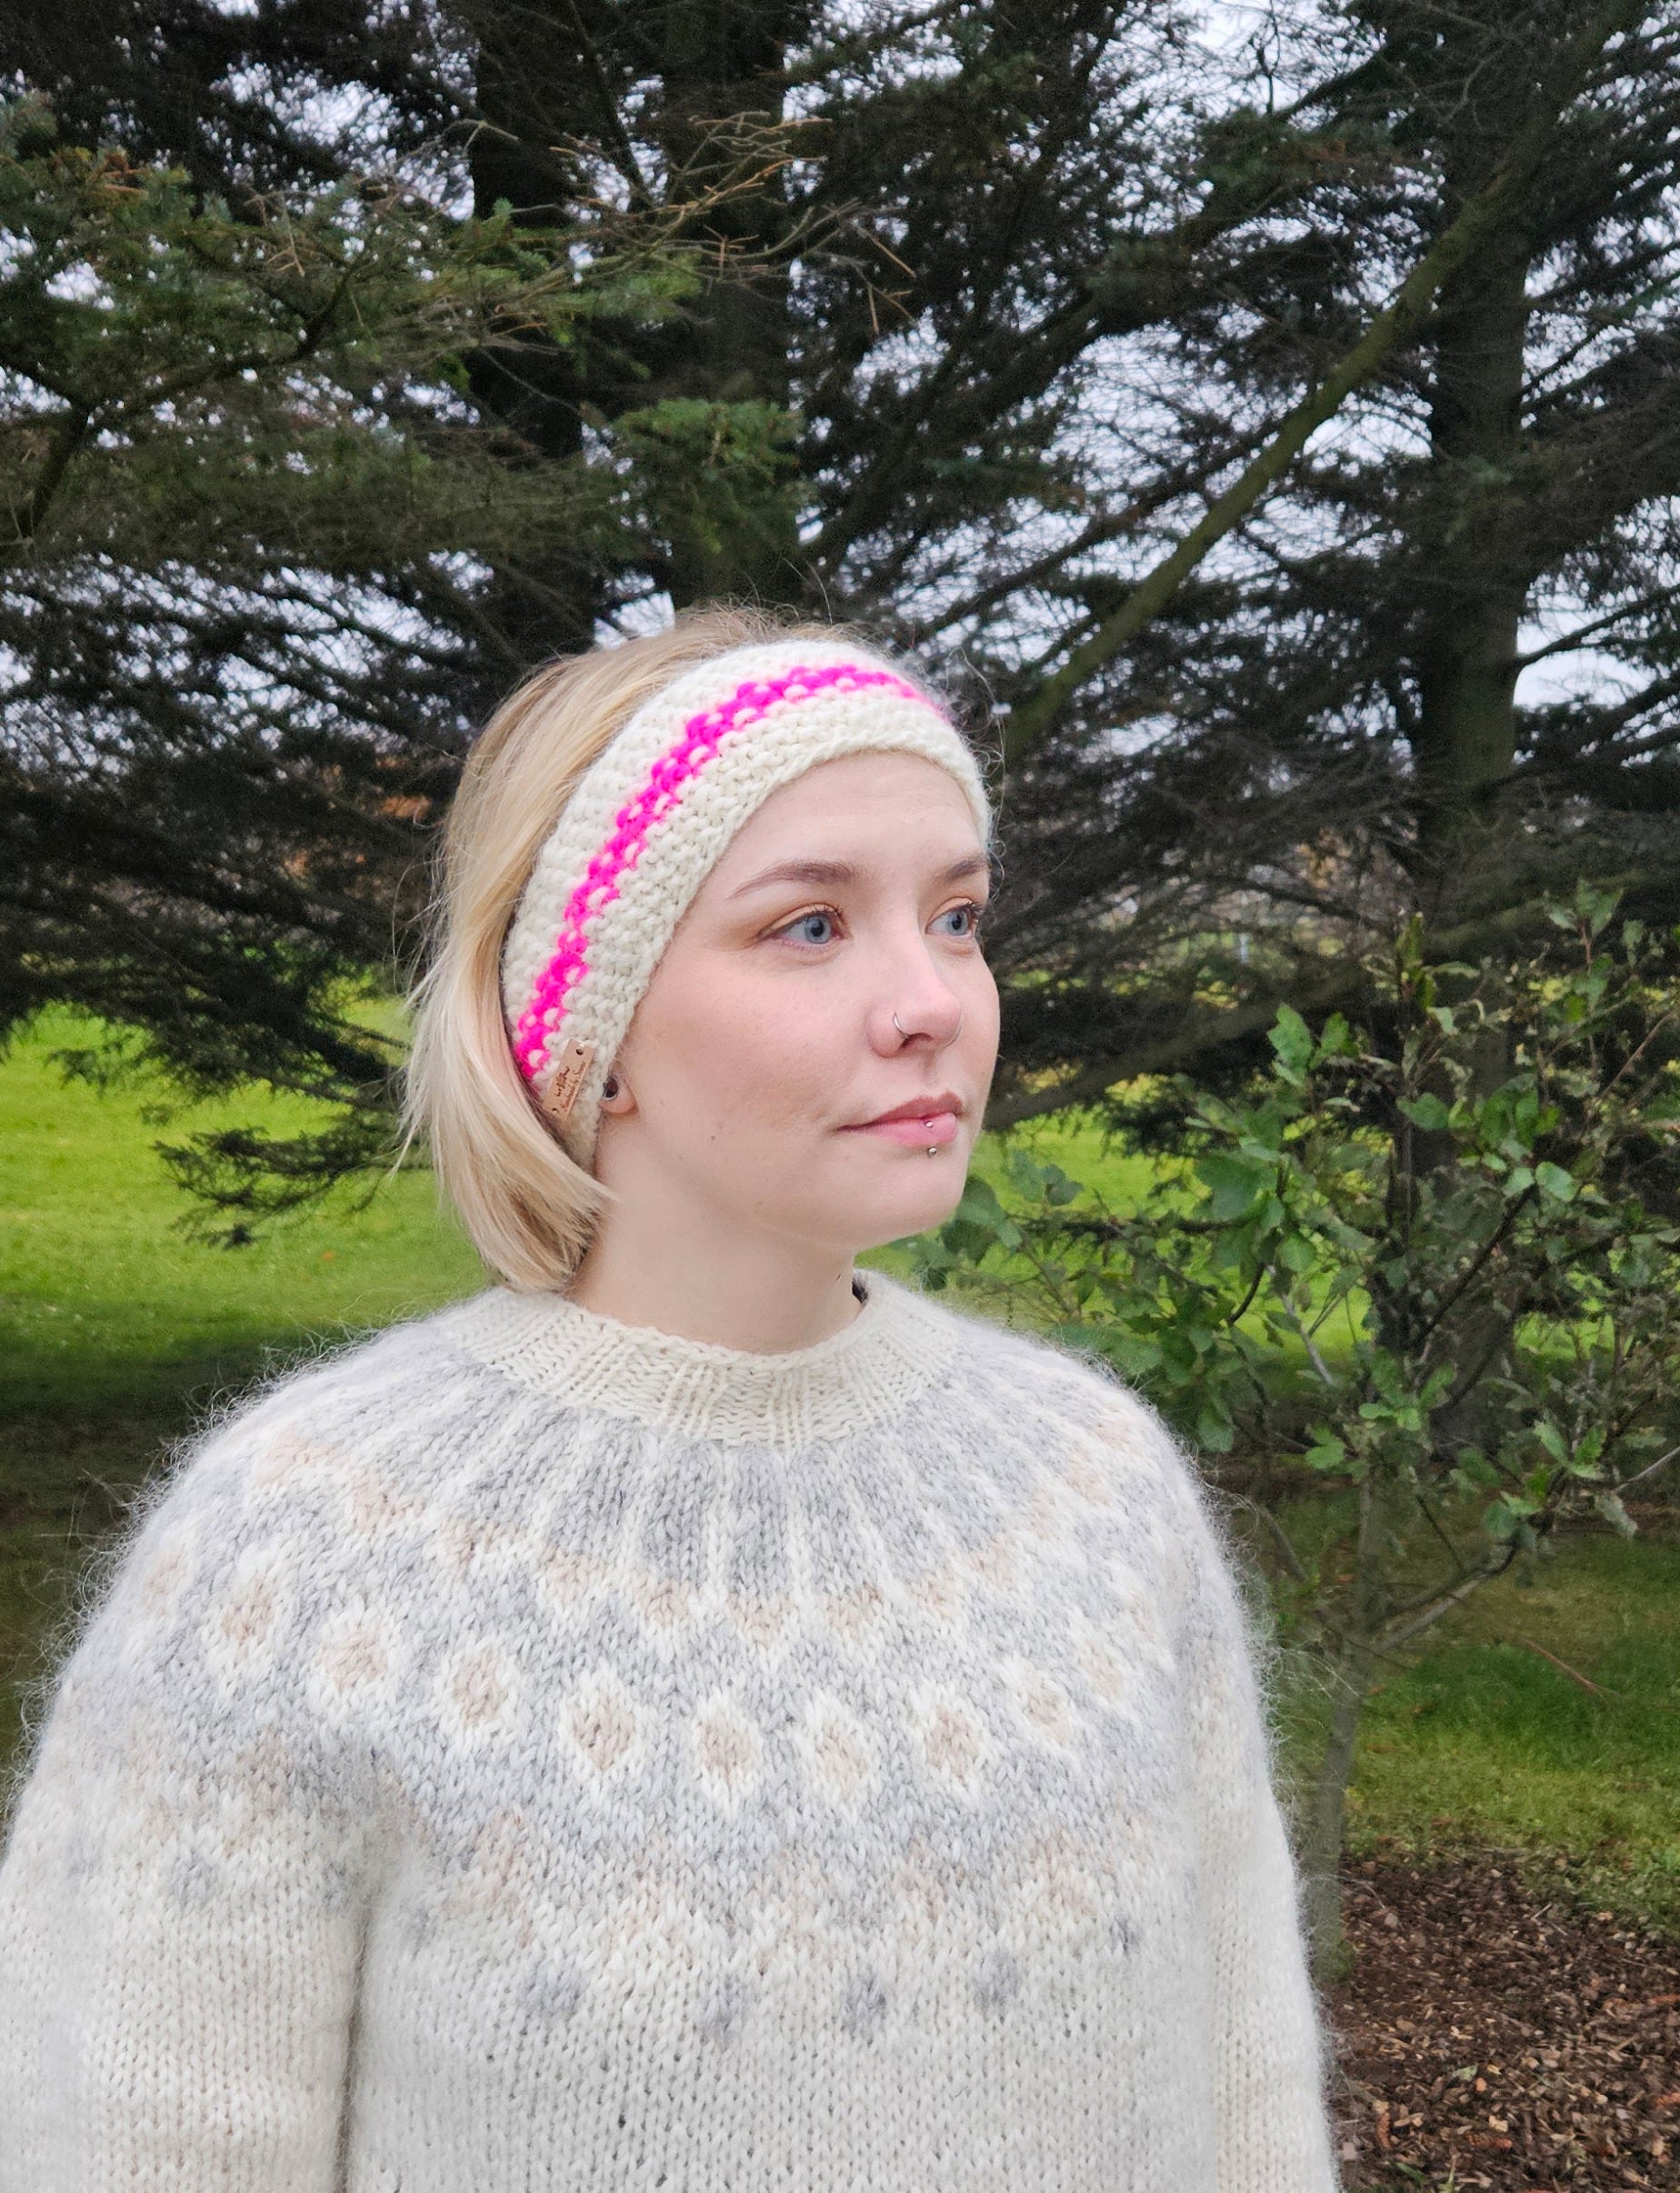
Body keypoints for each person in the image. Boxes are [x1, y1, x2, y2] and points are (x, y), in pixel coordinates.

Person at [0, 606, 1342, 2190]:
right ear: (596, 1028)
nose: (932, 999)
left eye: (959, 916)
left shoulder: (1094, 1488)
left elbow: (1249, 2103)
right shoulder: (301, 1557)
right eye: (812, 926)